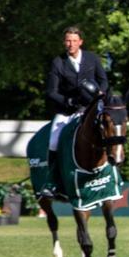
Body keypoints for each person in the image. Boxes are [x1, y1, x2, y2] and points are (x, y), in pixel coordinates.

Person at [44, 26, 109, 196]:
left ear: (80, 42)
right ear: (64, 42)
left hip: (91, 107)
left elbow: (104, 81)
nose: (70, 44)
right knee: (53, 140)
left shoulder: (92, 58)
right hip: (68, 110)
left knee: (109, 131)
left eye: (74, 41)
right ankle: (52, 182)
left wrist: (100, 93)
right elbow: (51, 91)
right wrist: (68, 101)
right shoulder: (58, 62)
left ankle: (112, 175)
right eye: (67, 41)